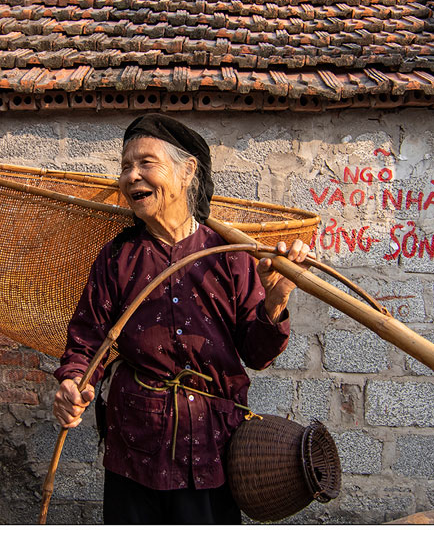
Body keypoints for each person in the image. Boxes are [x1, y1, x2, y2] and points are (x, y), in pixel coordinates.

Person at [52, 114, 309, 524]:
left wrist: (275, 301)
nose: (132, 176)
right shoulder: (117, 258)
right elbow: (87, 341)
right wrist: (73, 383)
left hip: (212, 446)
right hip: (136, 445)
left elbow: (257, 354)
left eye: (145, 163)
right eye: (125, 167)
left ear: (187, 170)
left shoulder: (230, 253)